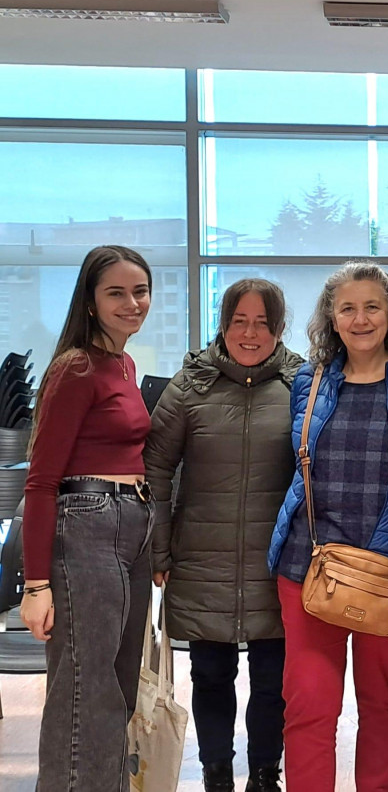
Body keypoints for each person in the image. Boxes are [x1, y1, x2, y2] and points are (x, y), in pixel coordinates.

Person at [267, 261, 388, 792]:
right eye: (347, 308)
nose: (360, 319)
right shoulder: (309, 383)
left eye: (372, 306)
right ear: (331, 319)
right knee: (308, 708)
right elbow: (300, 467)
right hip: (309, 567)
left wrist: (385, 551)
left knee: (383, 706)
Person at [144, 279, 303, 792]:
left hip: (278, 562)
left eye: (262, 322)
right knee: (211, 677)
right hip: (200, 559)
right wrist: (160, 548)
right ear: (223, 324)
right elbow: (156, 468)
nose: (250, 333)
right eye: (239, 321)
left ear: (279, 328)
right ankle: (216, 773)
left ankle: (263, 775)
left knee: (272, 681)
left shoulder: (304, 383)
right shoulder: (190, 385)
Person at [20, 245, 154, 791]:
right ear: (91, 302)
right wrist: (36, 584)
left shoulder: (122, 363)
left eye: (140, 291)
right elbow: (40, 480)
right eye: (116, 292)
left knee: (117, 687)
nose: (132, 303)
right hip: (86, 523)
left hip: (132, 525)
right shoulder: (75, 368)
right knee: (84, 688)